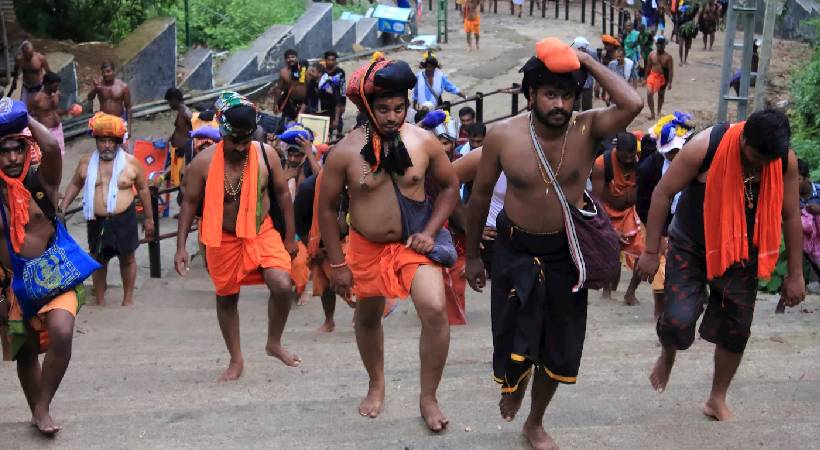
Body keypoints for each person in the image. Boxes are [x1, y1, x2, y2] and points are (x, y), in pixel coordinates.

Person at [464, 37, 642, 449]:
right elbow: (478, 196)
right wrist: (472, 255)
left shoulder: (589, 128)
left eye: (566, 95)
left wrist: (586, 61)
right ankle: (513, 385)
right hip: (513, 252)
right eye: (550, 94)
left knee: (559, 347)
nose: (559, 104)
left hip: (565, 255)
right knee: (511, 340)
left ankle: (535, 421)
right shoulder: (503, 137)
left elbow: (632, 104)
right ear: (530, 95)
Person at [317, 56, 459, 431]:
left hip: (414, 243)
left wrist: (430, 231)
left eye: (399, 108)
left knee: (433, 309)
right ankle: (376, 383)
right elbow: (327, 209)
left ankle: (428, 397)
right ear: (368, 108)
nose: (392, 116)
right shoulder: (345, 152)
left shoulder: (424, 142)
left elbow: (449, 187)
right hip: (365, 247)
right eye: (383, 109)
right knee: (366, 317)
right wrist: (337, 264)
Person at [636, 109, 805, 421]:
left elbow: (791, 215)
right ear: (742, 139)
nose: (761, 166)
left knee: (737, 328)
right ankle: (668, 353)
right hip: (691, 245)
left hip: (742, 252)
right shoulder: (705, 147)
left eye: (768, 161)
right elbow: (662, 193)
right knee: (677, 321)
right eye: (756, 157)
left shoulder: (783, 161)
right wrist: (649, 251)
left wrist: (795, 274)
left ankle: (716, 398)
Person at [174, 92, 301, 382]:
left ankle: (274, 342)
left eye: (248, 139)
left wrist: (291, 237)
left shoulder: (265, 154)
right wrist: (181, 246)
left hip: (261, 230)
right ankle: (236, 359)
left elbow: (282, 194)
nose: (243, 147)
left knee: (282, 284)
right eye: (236, 141)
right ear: (222, 133)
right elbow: (189, 204)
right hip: (222, 237)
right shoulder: (202, 164)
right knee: (227, 298)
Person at [0, 102, 82, 435]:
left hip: (51, 274)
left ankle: (43, 406)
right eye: (3, 152)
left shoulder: (43, 180)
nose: (11, 158)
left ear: (26, 147)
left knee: (62, 331)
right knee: (26, 351)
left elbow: (51, 146)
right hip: (9, 283)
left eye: (17, 149)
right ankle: (36, 410)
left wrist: (23, 116)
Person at [60, 113, 155, 306]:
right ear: (96, 141)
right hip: (96, 219)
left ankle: (127, 300)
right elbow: (75, 184)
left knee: (127, 258)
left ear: (118, 142)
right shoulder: (86, 162)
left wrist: (149, 217)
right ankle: (100, 300)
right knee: (98, 259)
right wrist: (62, 209)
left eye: (111, 141)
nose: (107, 146)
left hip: (124, 217)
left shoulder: (130, 162)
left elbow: (144, 189)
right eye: (103, 141)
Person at [636, 111, 695, 319]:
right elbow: (643, 205)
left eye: (678, 150)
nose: (675, 155)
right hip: (655, 223)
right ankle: (659, 307)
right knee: (660, 264)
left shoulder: (697, 165)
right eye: (671, 152)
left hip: (684, 222)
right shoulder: (648, 169)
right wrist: (657, 233)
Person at [592, 132, 645, 305]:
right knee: (611, 250)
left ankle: (630, 293)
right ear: (617, 150)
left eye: (632, 156)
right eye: (625, 158)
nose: (629, 161)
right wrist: (609, 229)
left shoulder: (642, 160)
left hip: (633, 211)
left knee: (644, 252)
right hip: (607, 211)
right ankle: (607, 290)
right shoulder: (602, 164)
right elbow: (597, 201)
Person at [87, 62, 133, 147]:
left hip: (119, 120)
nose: (105, 74)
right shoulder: (99, 86)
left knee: (122, 147)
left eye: (108, 71)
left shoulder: (123, 86)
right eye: (103, 72)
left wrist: (129, 129)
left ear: (114, 71)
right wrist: (95, 89)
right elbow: (89, 98)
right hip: (104, 121)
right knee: (105, 147)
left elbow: (128, 108)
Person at [27, 71, 70, 155]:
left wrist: (67, 111)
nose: (57, 88)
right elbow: (27, 114)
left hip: (58, 129)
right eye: (55, 86)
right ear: (47, 84)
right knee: (48, 155)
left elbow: (56, 111)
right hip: (46, 130)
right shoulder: (37, 99)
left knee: (60, 154)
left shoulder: (57, 94)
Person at [164, 88, 193, 188]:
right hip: (177, 151)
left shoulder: (186, 113)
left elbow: (195, 131)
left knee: (182, 182)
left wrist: (186, 146)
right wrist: (171, 137)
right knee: (176, 182)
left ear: (174, 100)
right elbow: (181, 129)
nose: (169, 105)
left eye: (169, 102)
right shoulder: (181, 112)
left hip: (183, 153)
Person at [270, 49, 309, 123]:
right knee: (286, 124)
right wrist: (275, 104)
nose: (290, 59)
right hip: (290, 103)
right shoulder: (283, 72)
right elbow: (279, 89)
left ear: (297, 58)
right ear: (285, 60)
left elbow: (311, 87)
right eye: (288, 57)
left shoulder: (305, 70)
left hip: (304, 103)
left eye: (293, 57)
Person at [302, 61, 340, 135]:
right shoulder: (311, 84)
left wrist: (336, 119)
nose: (310, 73)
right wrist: (300, 113)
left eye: (313, 71)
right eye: (310, 71)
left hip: (328, 116)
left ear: (319, 74)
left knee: (327, 138)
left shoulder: (329, 84)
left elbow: (337, 103)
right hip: (315, 115)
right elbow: (306, 101)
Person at [645, 36, 673, 120]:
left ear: (664, 45)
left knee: (661, 95)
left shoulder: (668, 57)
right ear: (656, 44)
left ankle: (658, 111)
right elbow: (648, 66)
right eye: (658, 44)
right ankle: (652, 113)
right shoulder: (652, 54)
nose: (660, 46)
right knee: (649, 93)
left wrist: (670, 82)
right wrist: (645, 77)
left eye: (661, 44)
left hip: (663, 77)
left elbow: (670, 70)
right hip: (652, 76)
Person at [323, 51, 347, 138]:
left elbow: (343, 88)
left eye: (333, 60)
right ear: (325, 60)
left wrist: (343, 104)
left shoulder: (340, 72)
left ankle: (338, 140)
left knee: (338, 122)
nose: (331, 62)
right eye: (329, 60)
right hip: (325, 102)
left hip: (337, 102)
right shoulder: (322, 72)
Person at [571, 37, 597, 111]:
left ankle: (586, 121)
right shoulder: (572, 53)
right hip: (576, 82)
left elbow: (597, 66)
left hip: (588, 82)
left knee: (587, 105)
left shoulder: (592, 53)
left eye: (582, 48)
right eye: (579, 48)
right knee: (575, 105)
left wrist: (598, 83)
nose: (581, 50)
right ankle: (575, 121)